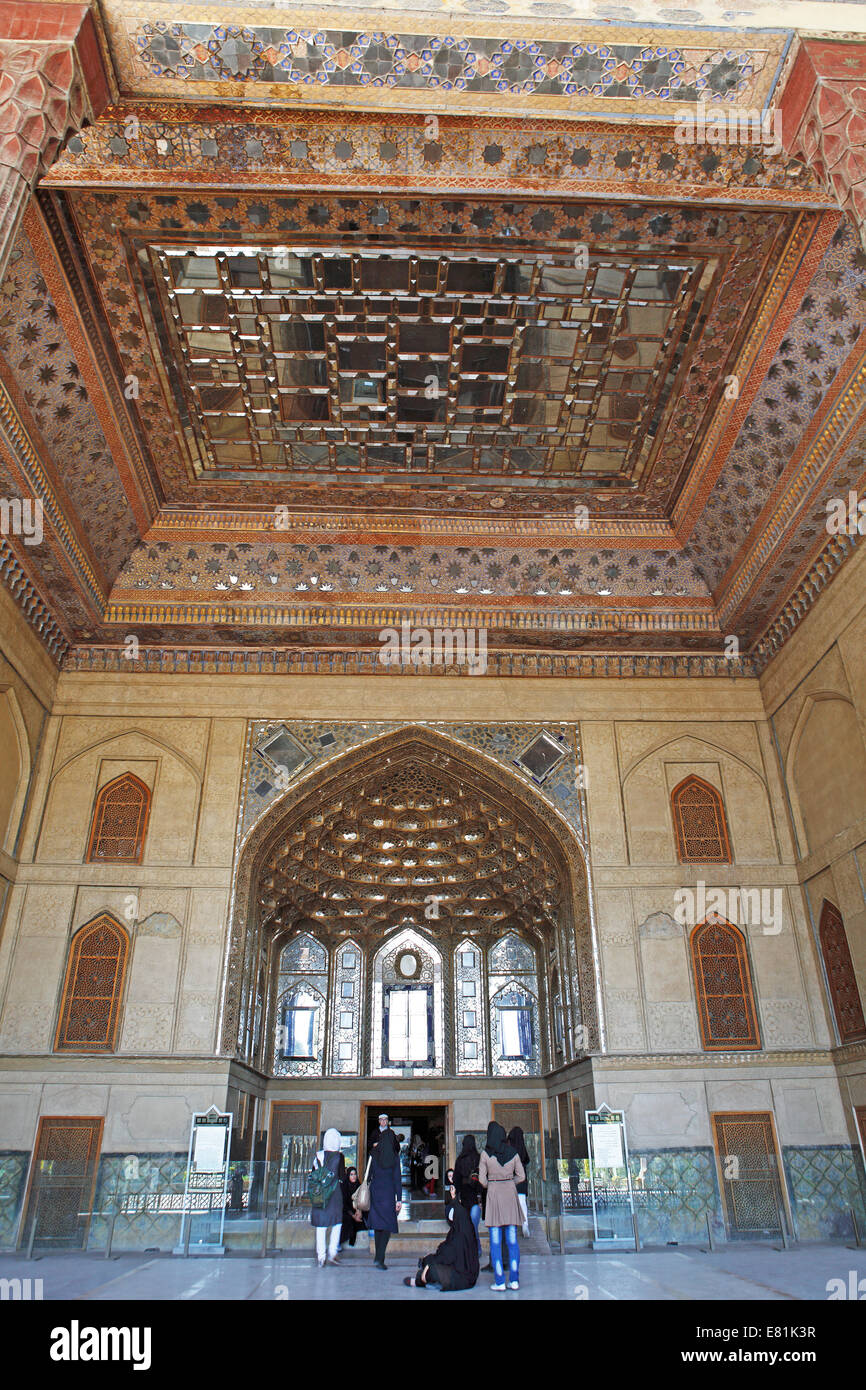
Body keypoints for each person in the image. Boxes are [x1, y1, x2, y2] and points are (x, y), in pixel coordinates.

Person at [403, 1184, 480, 1291]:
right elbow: (447, 1250)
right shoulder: (461, 1227)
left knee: (431, 1270)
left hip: (463, 1276)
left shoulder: (461, 1234)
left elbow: (448, 1254)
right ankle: (429, 1280)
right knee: (430, 1263)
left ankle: (420, 1281)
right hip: (458, 1268)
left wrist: (430, 1262)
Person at [478, 1120, 525, 1290]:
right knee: (512, 1240)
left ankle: (499, 1281)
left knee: (496, 1242)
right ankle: (514, 1279)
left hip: (494, 1195)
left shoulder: (485, 1154)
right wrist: (509, 1182)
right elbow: (521, 1176)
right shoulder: (513, 1152)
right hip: (510, 1195)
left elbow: (482, 1181)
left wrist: (493, 1182)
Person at [368, 1112, 402, 1269]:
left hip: (376, 1192)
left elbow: (369, 1175)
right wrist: (399, 1199)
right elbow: (397, 1179)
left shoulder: (374, 1154)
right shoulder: (395, 1157)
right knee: (386, 1225)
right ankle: (380, 1258)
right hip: (388, 1194)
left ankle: (377, 1257)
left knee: (378, 1225)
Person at [310, 1127, 346, 1268]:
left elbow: (313, 1174)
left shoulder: (318, 1155)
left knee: (321, 1225)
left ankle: (321, 1257)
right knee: (337, 1223)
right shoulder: (339, 1157)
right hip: (335, 1193)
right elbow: (342, 1177)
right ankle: (332, 1252)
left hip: (320, 1193)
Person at [452, 1133, 483, 1258]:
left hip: (464, 1198)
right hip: (476, 1197)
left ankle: (467, 1251)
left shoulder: (460, 1160)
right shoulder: (479, 1158)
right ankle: (477, 1249)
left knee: (465, 1227)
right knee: (474, 1226)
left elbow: (456, 1180)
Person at [507, 1125, 532, 1239]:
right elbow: (527, 1160)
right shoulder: (522, 1148)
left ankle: (512, 1225)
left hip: (511, 1180)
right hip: (521, 1179)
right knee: (522, 1202)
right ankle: (525, 1224)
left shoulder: (509, 1149)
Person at [340, 1165, 364, 1249]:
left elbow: (362, 1201)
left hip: (357, 1210)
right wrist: (353, 1215)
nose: (354, 1176)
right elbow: (344, 1204)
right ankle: (339, 1243)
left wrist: (359, 1211)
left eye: (355, 1174)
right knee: (347, 1220)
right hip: (346, 1211)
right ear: (348, 1176)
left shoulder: (359, 1185)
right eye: (351, 1174)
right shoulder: (344, 1186)